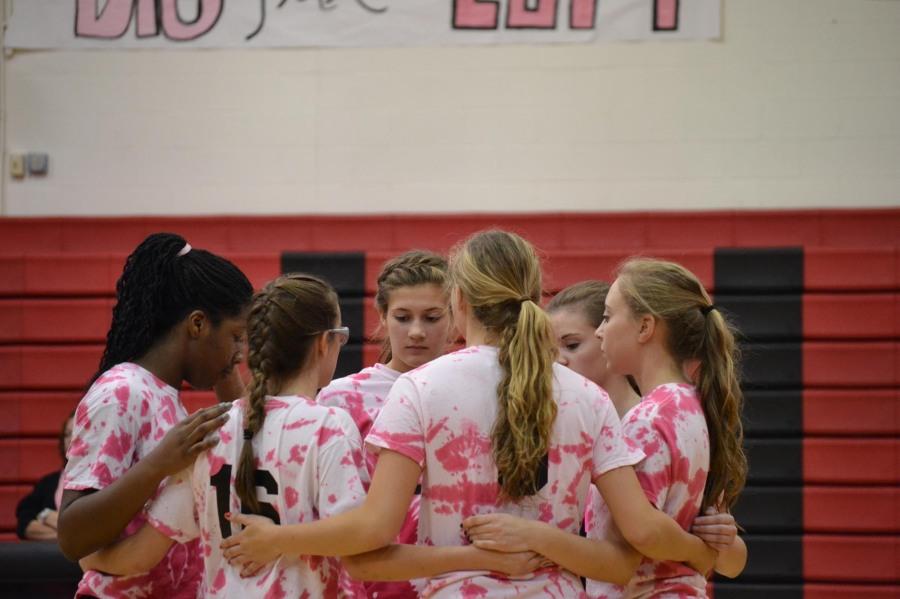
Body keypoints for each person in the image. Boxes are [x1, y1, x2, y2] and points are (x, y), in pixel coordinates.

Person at [220, 230, 716, 597]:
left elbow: (369, 546)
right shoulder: (589, 398)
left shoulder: (419, 389)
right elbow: (621, 563)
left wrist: (280, 537)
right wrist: (544, 542)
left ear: (459, 301)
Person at [80, 274, 374, 597]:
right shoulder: (329, 426)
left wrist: (90, 556)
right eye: (341, 337)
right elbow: (357, 536)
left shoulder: (210, 429)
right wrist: (280, 540)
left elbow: (140, 556)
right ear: (323, 342)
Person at [58, 232, 253, 599]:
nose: (241, 352)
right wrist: (158, 464)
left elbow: (246, 421)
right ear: (197, 325)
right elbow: (71, 535)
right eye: (236, 336)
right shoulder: (122, 391)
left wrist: (225, 360)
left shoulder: (164, 394)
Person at [547, 279, 747, 596]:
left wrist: (720, 540)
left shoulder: (650, 421)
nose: (558, 360)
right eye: (548, 350)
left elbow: (730, 561)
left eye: (572, 345)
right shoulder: (559, 431)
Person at [317, 250, 452, 597]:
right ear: (382, 315)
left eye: (432, 317)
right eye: (403, 317)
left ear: (456, 314)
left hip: (457, 581)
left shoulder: (472, 390)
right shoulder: (340, 398)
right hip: (371, 583)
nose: (417, 332)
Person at [15, 412, 74, 541]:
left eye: (76, 433)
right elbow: (24, 526)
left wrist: (47, 518)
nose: (71, 439)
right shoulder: (47, 484)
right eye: (67, 434)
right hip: (51, 558)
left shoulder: (104, 481)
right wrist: (70, 537)